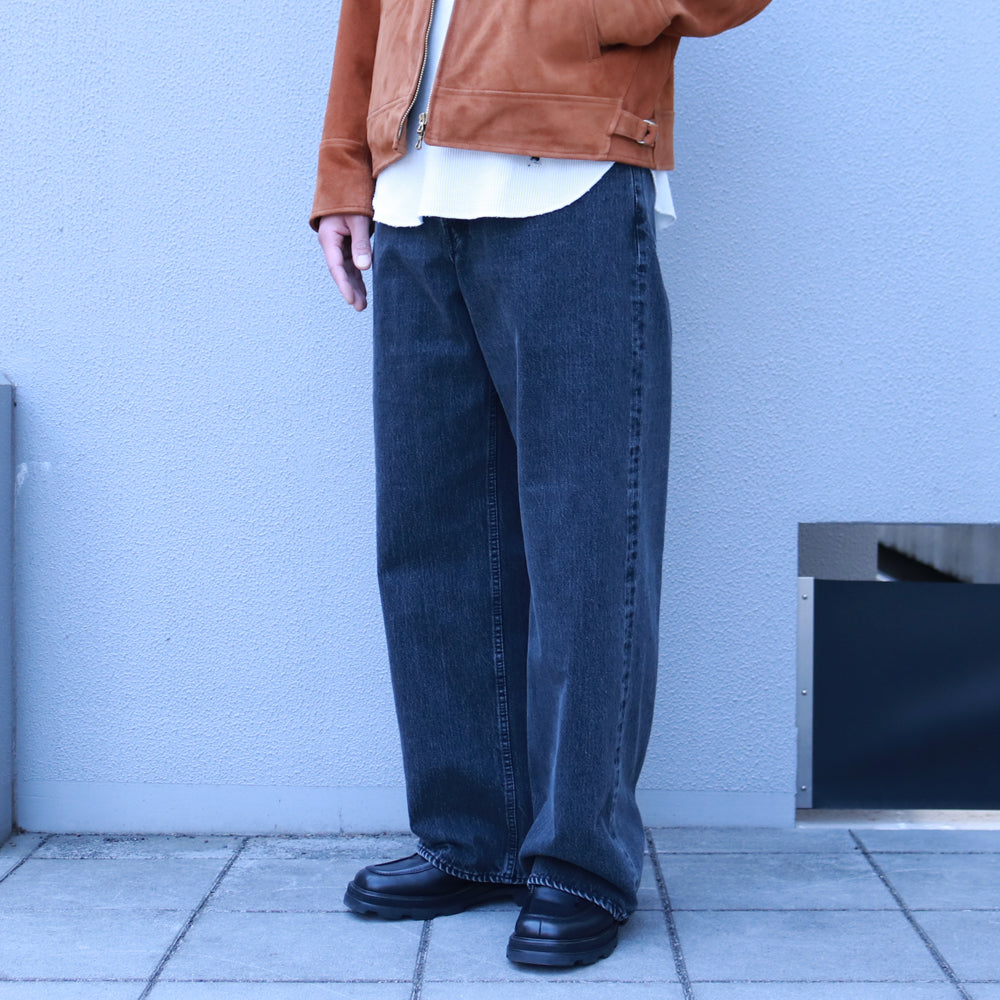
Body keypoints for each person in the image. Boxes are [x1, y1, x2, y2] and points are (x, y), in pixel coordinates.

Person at [313, 0, 770, 968]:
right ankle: (470, 840)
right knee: (431, 541)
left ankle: (581, 860)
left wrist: (580, 15)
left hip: (570, 181)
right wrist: (344, 170)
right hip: (411, 197)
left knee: (587, 541)